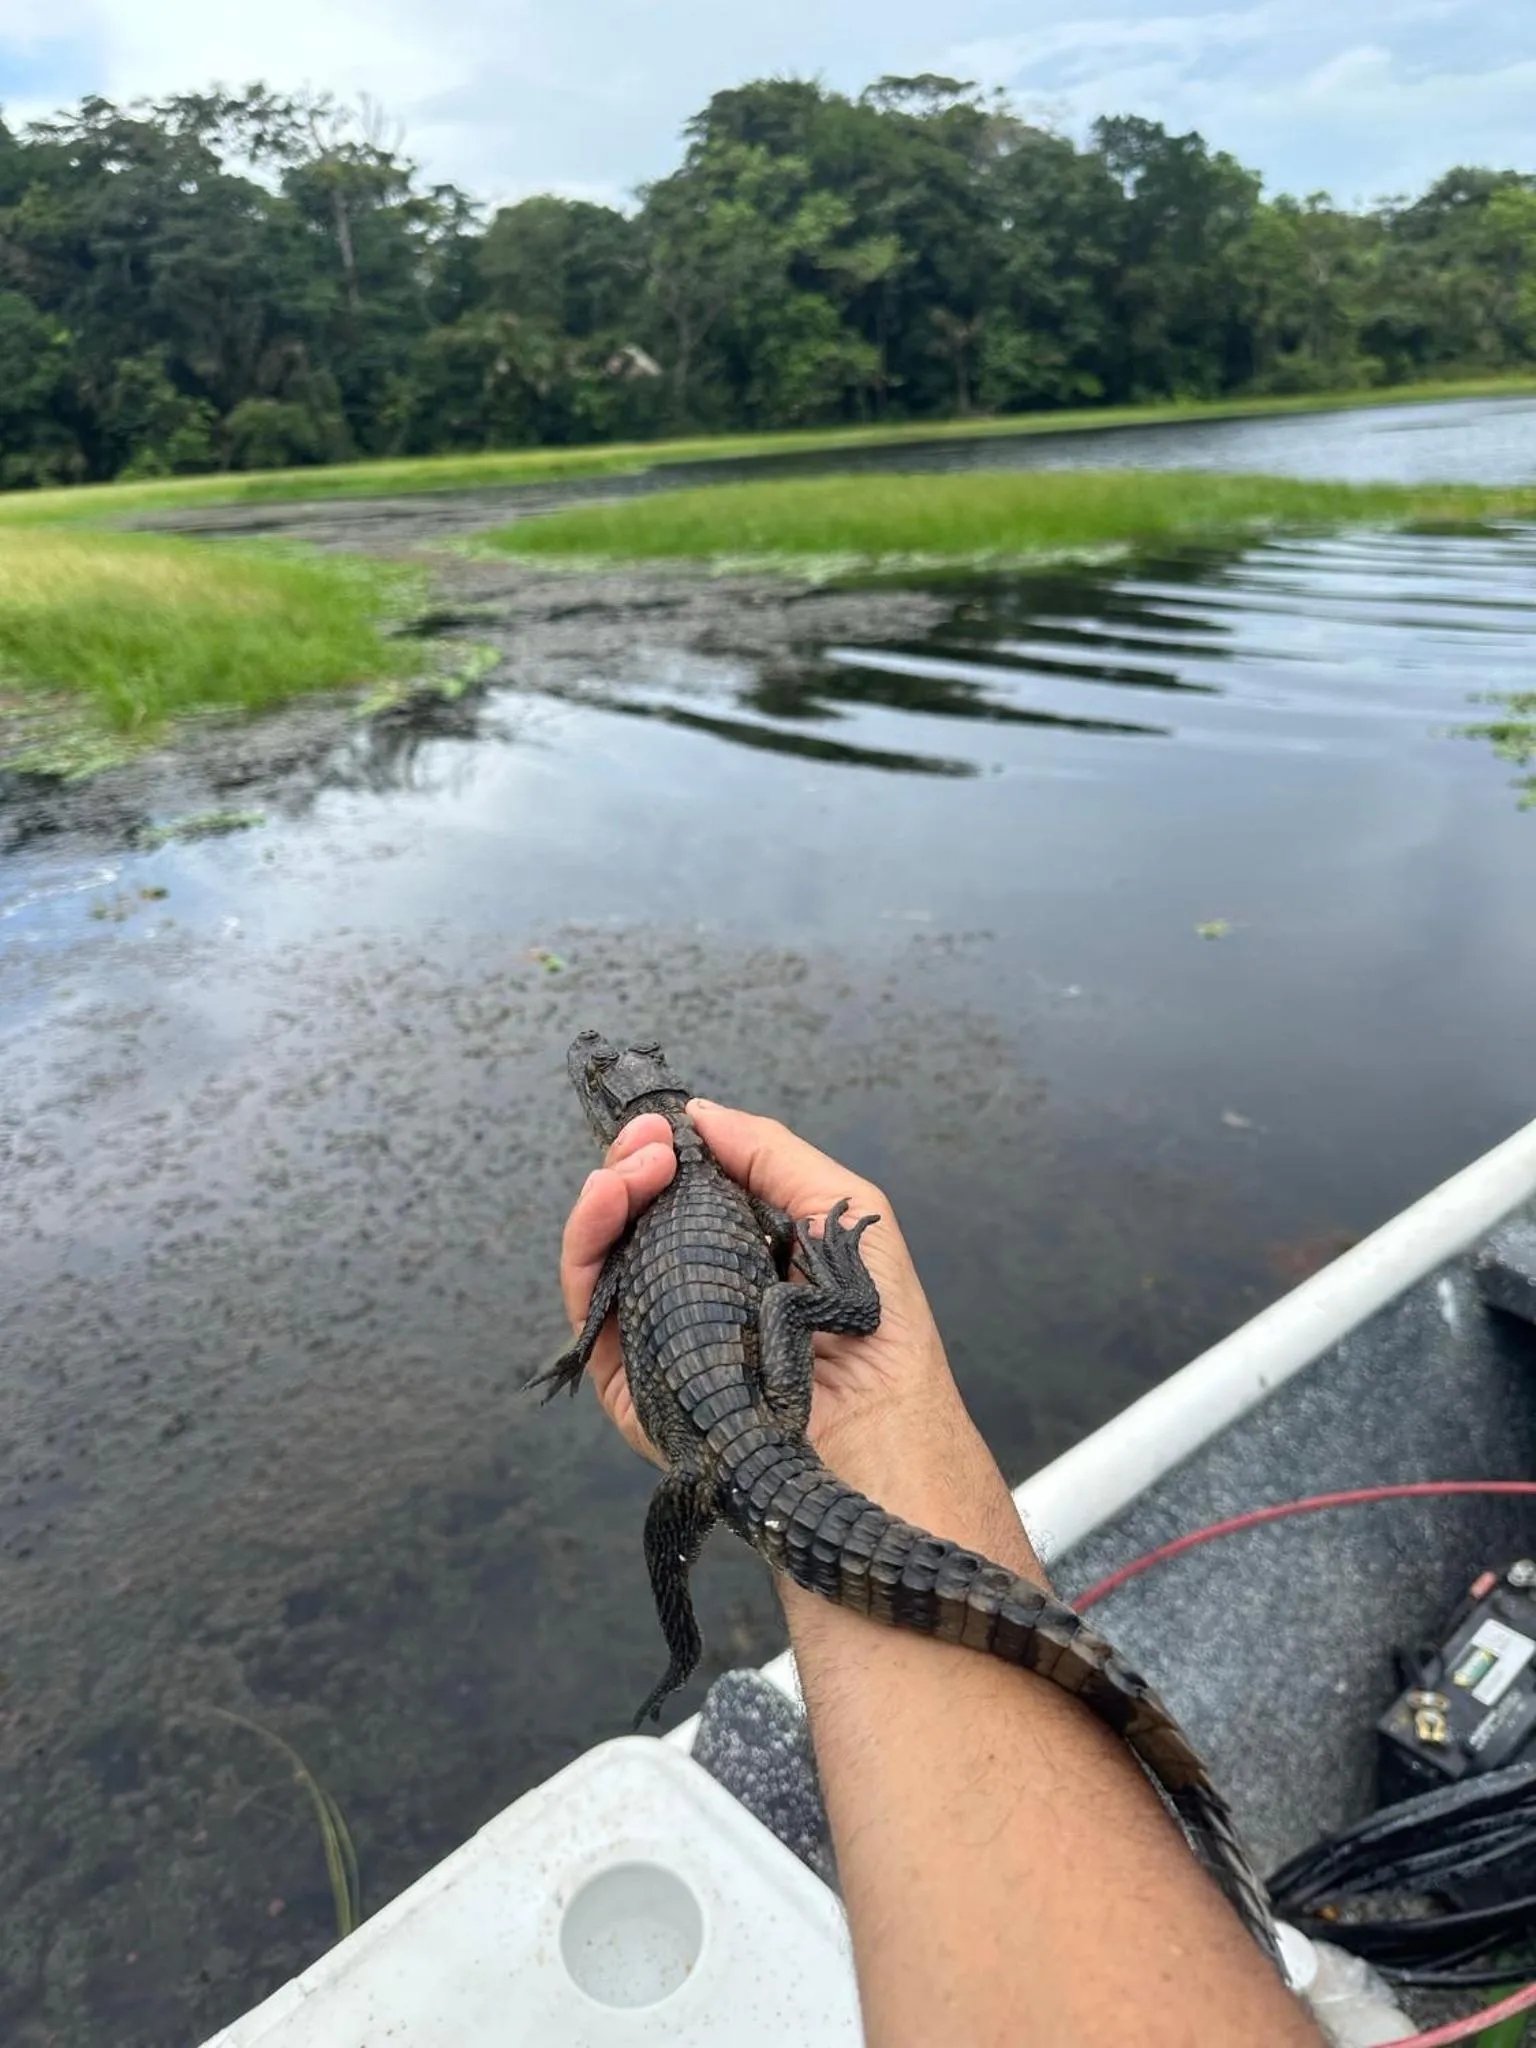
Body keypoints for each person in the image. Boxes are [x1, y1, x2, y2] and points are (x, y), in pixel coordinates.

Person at [560, 1095, 1323, 2047]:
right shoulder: (719, 1206)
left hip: (712, 1443)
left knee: (673, 1525)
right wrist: (817, 1282)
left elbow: (604, 1309)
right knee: (784, 1315)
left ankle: (682, 1657)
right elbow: (689, 1305)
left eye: (618, 1084)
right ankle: (683, 1649)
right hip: (750, 1412)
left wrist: (592, 1333)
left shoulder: (671, 1198)